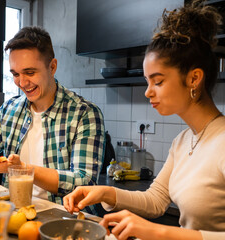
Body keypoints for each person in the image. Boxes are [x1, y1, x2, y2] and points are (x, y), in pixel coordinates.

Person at [63, 1, 225, 239]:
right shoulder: (183, 141)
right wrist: (104, 192)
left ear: (194, 78)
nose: (148, 92)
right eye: (147, 81)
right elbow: (155, 200)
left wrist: (160, 232)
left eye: (158, 81)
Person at [0, 26, 105, 214]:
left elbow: (85, 182)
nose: (22, 83)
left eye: (30, 72)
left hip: (65, 222)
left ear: (52, 67)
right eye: (15, 74)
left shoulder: (84, 113)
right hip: (15, 218)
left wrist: (22, 169)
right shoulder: (9, 110)